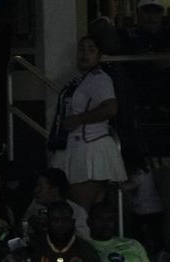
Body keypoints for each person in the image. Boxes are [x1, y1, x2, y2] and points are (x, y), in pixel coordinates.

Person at [48, 37, 126, 209]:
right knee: (85, 210)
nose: (85, 54)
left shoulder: (99, 79)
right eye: (82, 49)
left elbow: (111, 108)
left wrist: (80, 119)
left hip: (88, 149)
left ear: (99, 55)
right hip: (76, 147)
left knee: (79, 210)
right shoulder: (80, 79)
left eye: (91, 50)